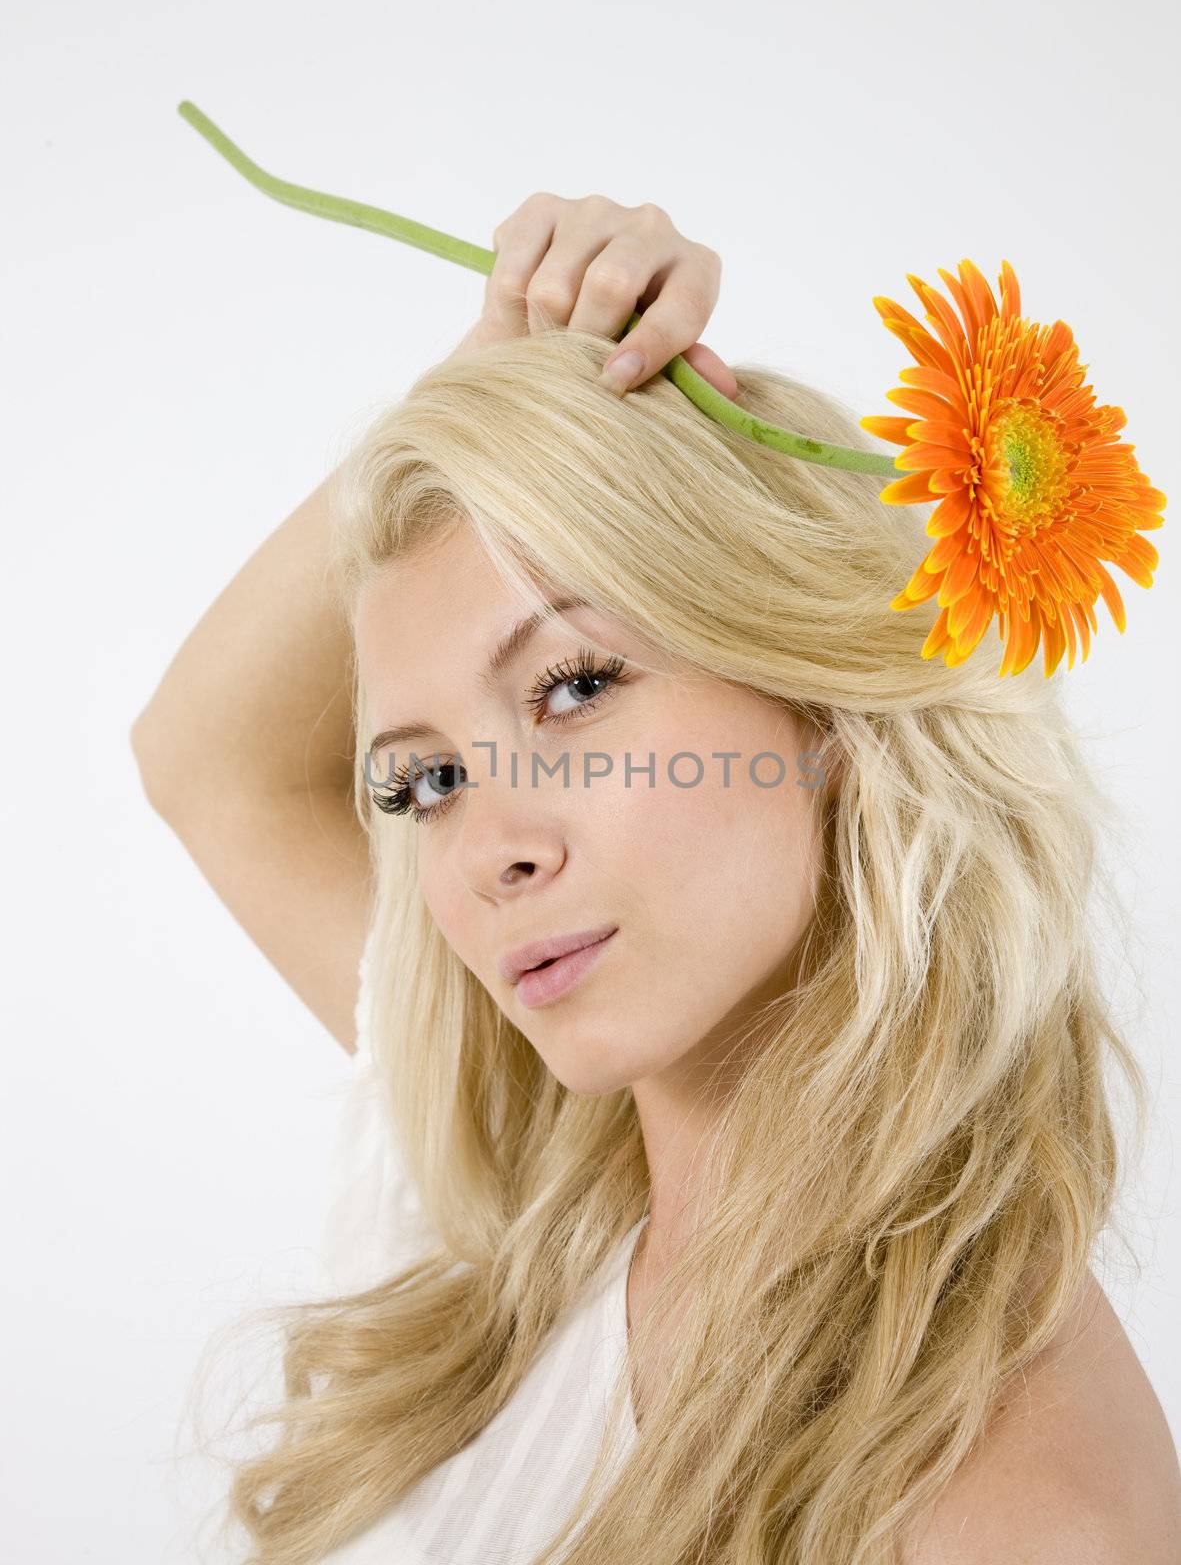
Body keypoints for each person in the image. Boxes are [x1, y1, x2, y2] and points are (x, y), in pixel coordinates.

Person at [131, 194, 1181, 1564]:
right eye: (426, 778)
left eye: (573, 688)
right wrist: (484, 375)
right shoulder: (499, 1215)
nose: (492, 847)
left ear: (821, 708)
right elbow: (202, 758)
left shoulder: (1005, 1508)